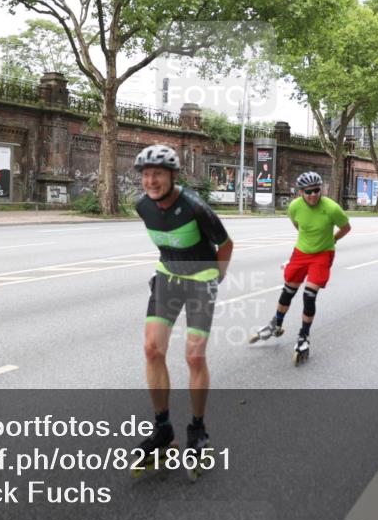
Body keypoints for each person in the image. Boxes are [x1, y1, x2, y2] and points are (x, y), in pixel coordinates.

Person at [132, 145, 233, 477]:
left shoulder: (193, 206)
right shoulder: (142, 207)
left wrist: (216, 278)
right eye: (146, 174)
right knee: (151, 349)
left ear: (173, 176)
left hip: (201, 279)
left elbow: (225, 243)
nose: (151, 180)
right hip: (167, 277)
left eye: (158, 174)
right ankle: (163, 428)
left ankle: (198, 428)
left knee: (194, 357)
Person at [250, 171, 350, 366]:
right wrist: (307, 241)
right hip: (301, 252)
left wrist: (332, 240)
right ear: (300, 192)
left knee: (309, 295)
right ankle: (276, 324)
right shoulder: (294, 207)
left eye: (316, 190)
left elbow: (346, 228)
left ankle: (304, 336)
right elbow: (298, 226)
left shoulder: (332, 208)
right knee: (288, 291)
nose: (313, 195)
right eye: (308, 191)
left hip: (323, 254)